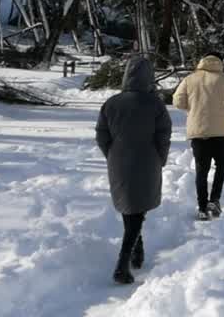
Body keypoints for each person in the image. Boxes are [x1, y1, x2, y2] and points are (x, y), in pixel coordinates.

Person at [95, 56, 171, 285]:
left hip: (118, 160)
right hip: (147, 159)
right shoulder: (155, 104)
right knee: (137, 209)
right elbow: (163, 135)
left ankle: (138, 251)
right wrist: (160, 158)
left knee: (130, 207)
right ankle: (122, 264)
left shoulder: (111, 103)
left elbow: (101, 134)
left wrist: (112, 154)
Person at [173, 51, 224, 220]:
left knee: (201, 170)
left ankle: (202, 207)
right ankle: (215, 199)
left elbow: (178, 101)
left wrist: (193, 110)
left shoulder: (190, 79)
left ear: (202, 61)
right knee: (222, 165)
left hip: (198, 133)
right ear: (220, 62)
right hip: (221, 133)